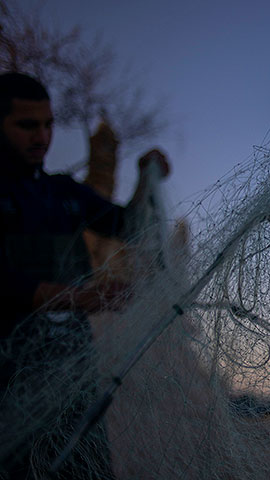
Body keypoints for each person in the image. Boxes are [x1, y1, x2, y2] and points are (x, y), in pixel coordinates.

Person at [0, 72, 170, 479]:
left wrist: (147, 179)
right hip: (9, 377)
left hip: (71, 370)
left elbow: (128, 225)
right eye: (27, 125)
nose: (41, 136)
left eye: (48, 124)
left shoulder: (62, 193)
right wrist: (75, 297)